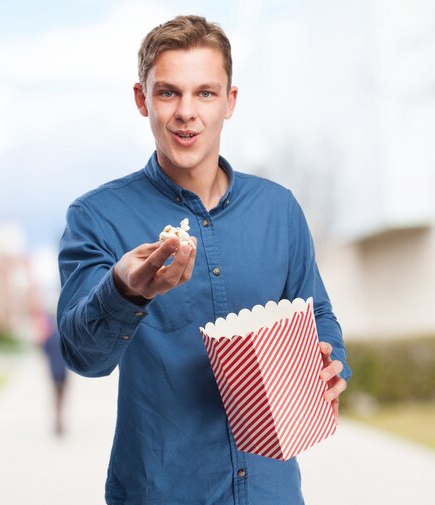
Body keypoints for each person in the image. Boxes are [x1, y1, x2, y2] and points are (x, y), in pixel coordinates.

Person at [57, 14, 351, 505]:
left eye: (205, 93)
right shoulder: (96, 217)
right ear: (142, 99)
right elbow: (83, 356)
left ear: (230, 102)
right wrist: (127, 289)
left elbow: (316, 313)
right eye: (169, 92)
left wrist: (329, 360)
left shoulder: (279, 209)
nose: (186, 112)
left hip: (272, 492)